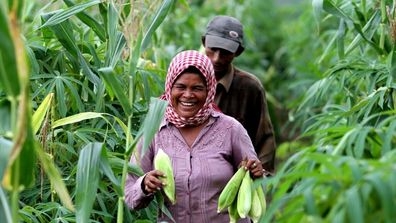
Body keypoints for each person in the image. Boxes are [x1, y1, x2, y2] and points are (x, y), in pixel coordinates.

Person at [124, 50, 264, 223]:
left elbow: (253, 184)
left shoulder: (230, 129)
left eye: (197, 88)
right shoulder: (154, 131)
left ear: (209, 90)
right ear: (169, 88)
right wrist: (144, 185)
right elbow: (129, 196)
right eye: (181, 87)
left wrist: (256, 173)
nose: (188, 95)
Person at [201, 15, 276, 173]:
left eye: (226, 52)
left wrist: (261, 174)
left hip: (235, 179)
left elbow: (264, 138)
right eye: (213, 49)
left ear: (238, 52)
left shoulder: (249, 88)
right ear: (204, 42)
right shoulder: (185, 81)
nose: (217, 58)